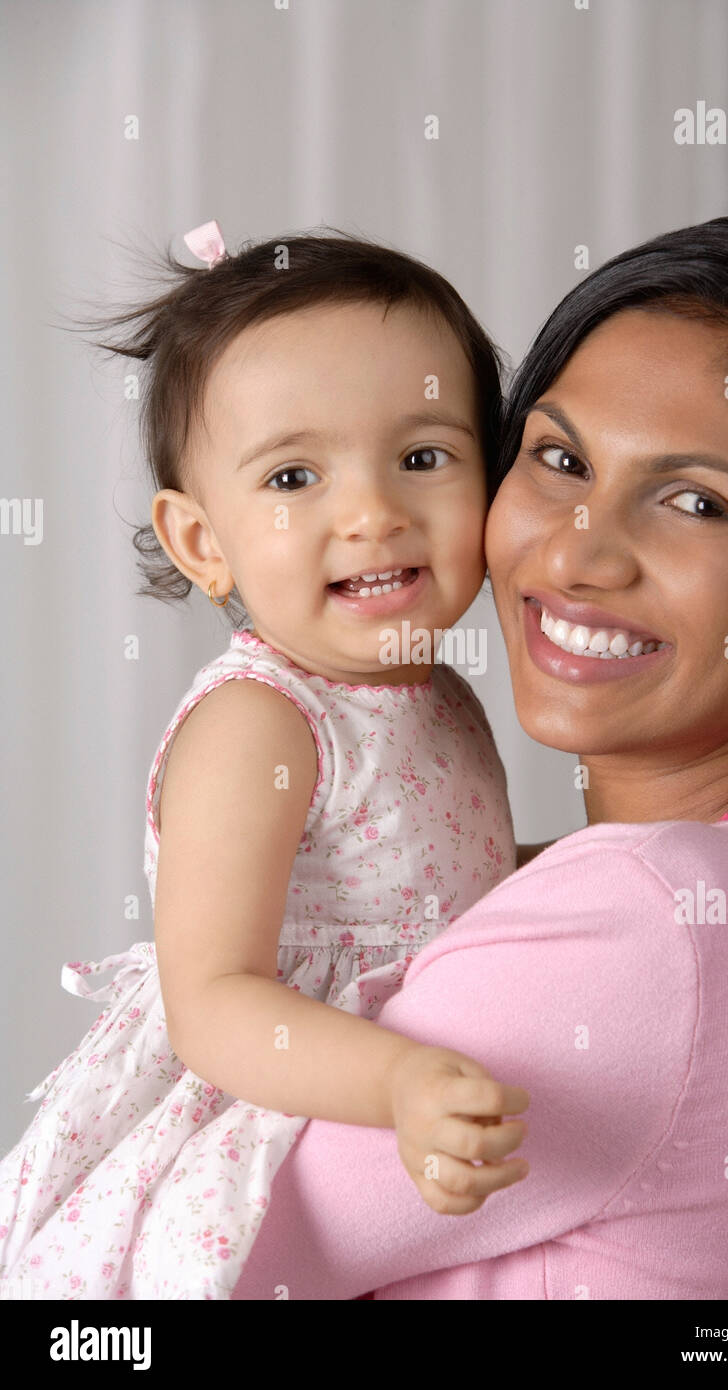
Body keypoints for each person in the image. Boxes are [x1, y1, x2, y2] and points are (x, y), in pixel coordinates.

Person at [232, 213, 728, 1301]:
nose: (575, 549)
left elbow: (173, 1261)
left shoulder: (647, 915)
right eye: (560, 457)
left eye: (693, 501)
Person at [0, 223, 528, 1299]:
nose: (372, 513)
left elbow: (448, 886)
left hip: (411, 1102)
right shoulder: (261, 723)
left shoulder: (439, 690)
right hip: (267, 1098)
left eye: (422, 457)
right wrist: (397, 1080)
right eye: (294, 475)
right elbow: (215, 1000)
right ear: (203, 543)